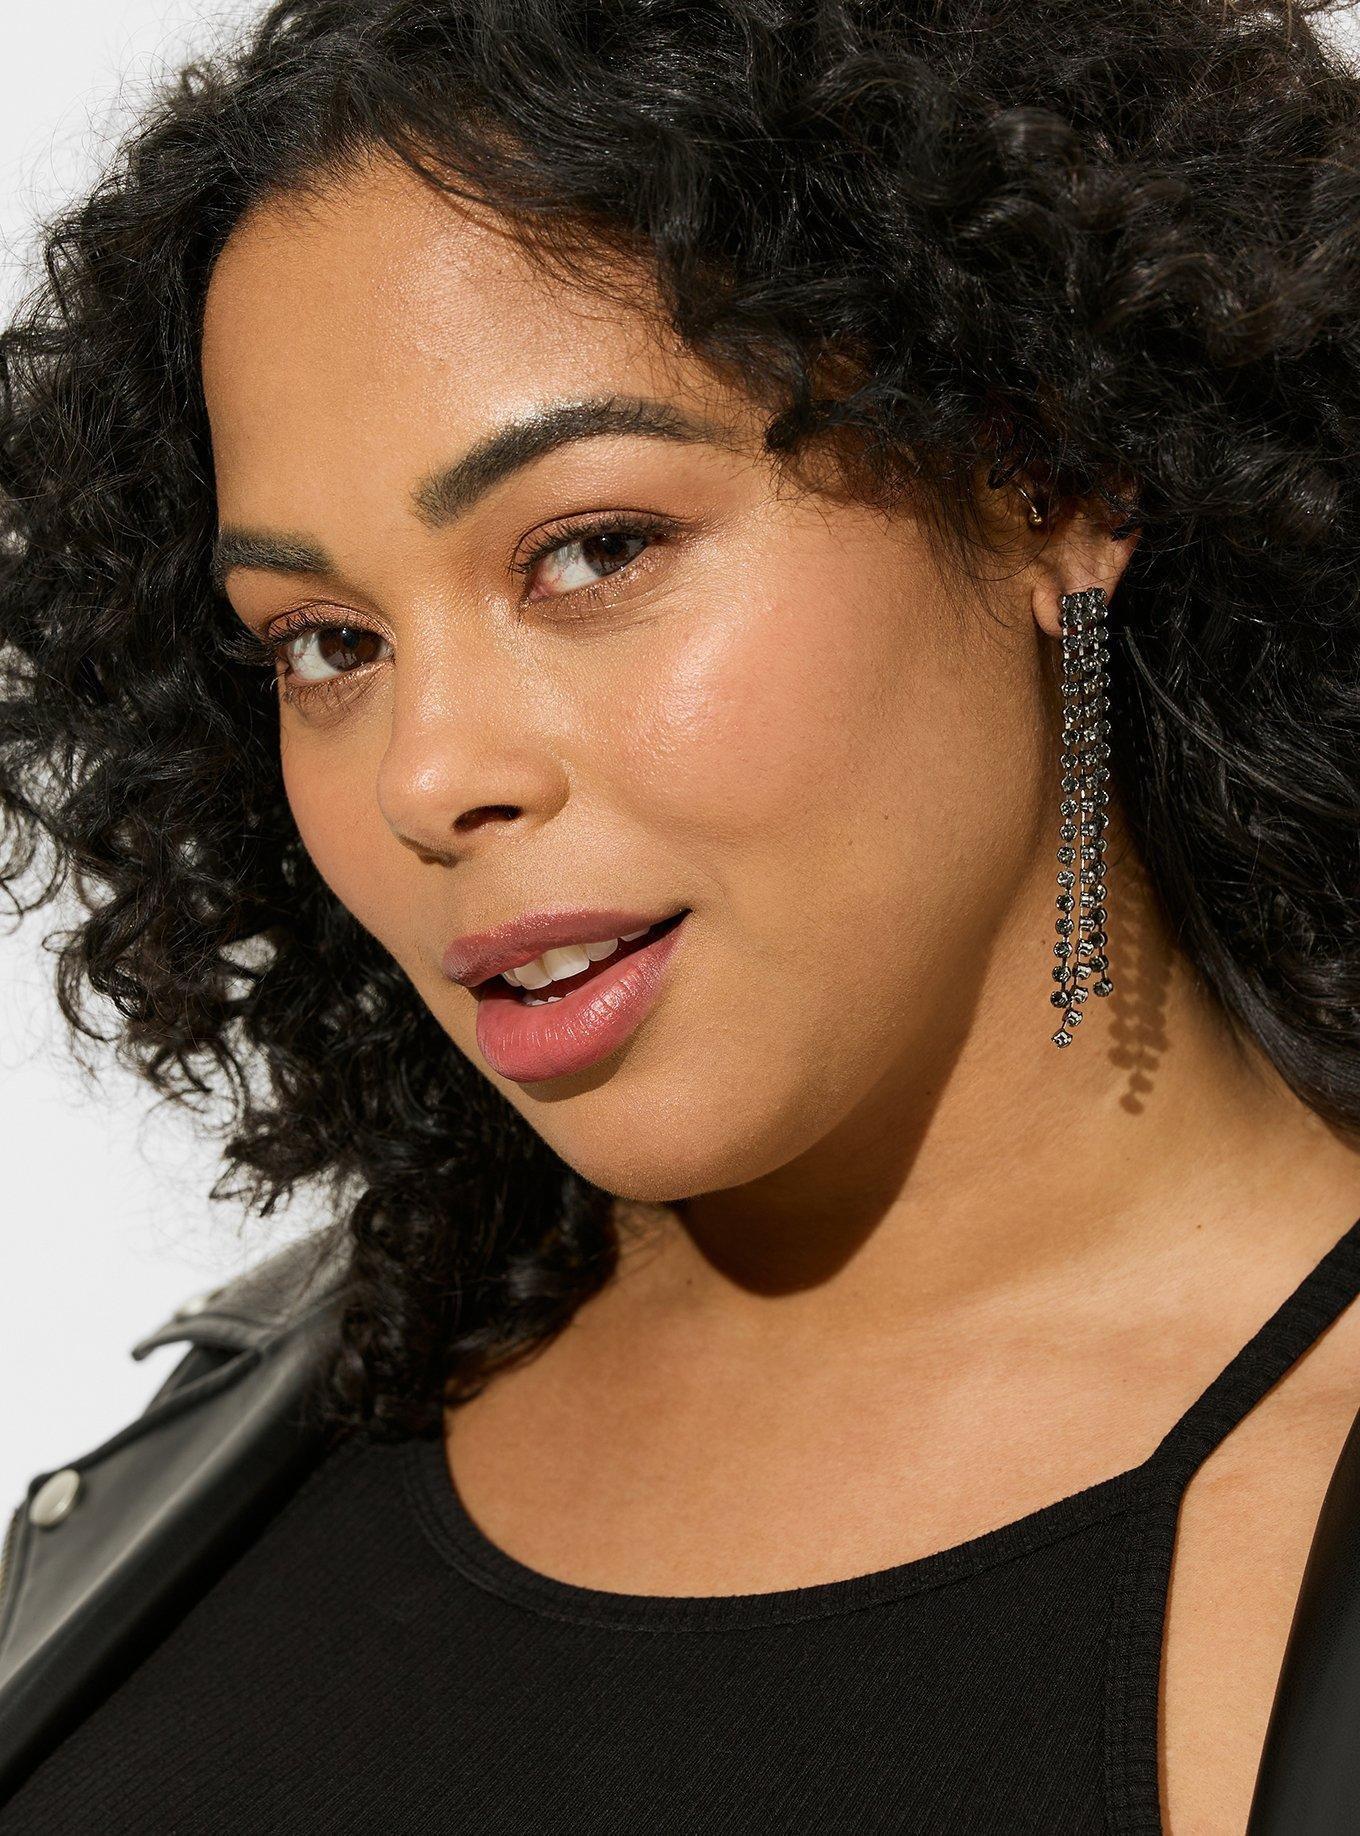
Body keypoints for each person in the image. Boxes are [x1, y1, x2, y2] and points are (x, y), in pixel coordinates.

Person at [1, 0, 1358, 1828]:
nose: (426, 776)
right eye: (326, 644)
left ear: (1049, 481)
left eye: (592, 550)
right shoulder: (239, 1440)